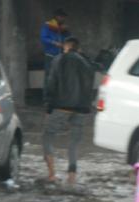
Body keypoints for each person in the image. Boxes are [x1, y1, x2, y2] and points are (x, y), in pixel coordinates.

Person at [43, 37, 95, 185]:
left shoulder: (59, 60)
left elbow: (51, 83)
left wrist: (48, 106)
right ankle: (72, 177)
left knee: (48, 136)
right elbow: (90, 87)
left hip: (61, 106)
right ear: (77, 48)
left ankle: (52, 174)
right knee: (73, 143)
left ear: (66, 47)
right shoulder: (86, 63)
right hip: (81, 108)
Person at [41, 8, 71, 100]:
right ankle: (46, 98)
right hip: (50, 55)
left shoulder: (63, 28)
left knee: (60, 77)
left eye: (64, 17)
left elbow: (69, 38)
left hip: (61, 56)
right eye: (62, 17)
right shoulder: (48, 26)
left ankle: (58, 98)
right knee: (49, 77)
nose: (63, 19)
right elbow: (43, 38)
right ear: (57, 17)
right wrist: (54, 43)